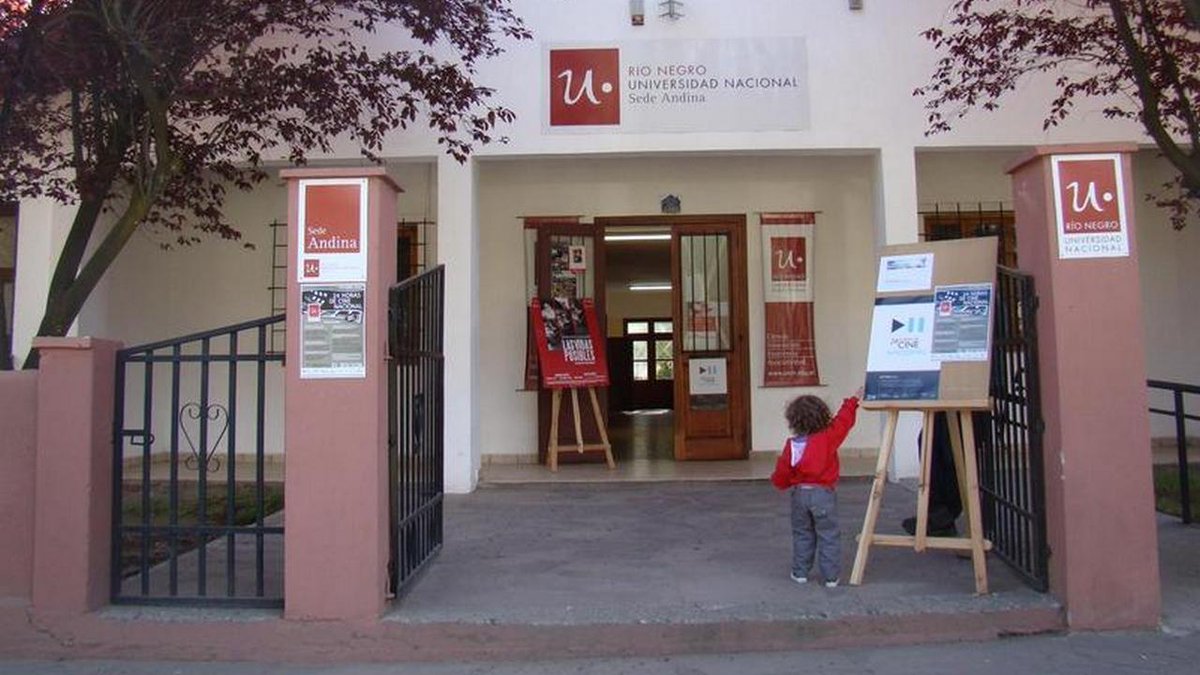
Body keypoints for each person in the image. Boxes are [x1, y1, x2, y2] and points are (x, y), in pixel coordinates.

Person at [771, 387, 862, 588]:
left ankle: (800, 572)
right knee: (829, 534)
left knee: (802, 533)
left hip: (800, 494)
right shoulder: (829, 438)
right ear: (823, 417)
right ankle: (831, 577)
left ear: (793, 421)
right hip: (824, 494)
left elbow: (782, 473)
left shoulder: (792, 445)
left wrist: (780, 483)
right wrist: (853, 400)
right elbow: (844, 421)